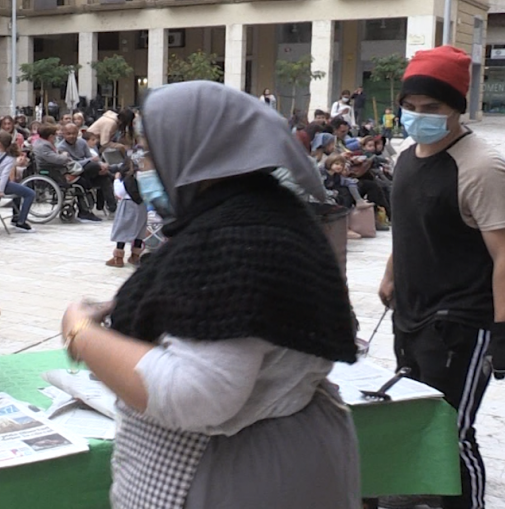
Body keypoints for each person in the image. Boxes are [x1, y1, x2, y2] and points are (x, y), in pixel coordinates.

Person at [60, 81, 359, 508]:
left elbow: (198, 393)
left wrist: (81, 333)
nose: (147, 164)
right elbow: (205, 307)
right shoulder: (259, 213)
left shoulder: (238, 237)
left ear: (196, 151)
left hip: (236, 476)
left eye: (152, 151)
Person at [378, 46, 505, 509]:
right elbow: (406, 224)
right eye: (410, 107)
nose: (417, 116)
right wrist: (391, 275)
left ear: (457, 107)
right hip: (412, 317)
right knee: (413, 424)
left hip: (461, 324)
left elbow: (503, 252)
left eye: (431, 109)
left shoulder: (481, 167)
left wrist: (501, 332)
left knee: (450, 431)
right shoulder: (408, 156)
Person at [0, 131, 35, 232]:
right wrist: (0, 190)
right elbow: (4, 175)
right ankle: (21, 221)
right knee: (30, 193)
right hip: (0, 184)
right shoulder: (10, 157)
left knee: (18, 189)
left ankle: (16, 217)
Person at [59, 122, 117, 217]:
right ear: (63, 134)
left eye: (74, 133)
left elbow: (91, 158)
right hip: (76, 172)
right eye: (68, 134)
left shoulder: (82, 143)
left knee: (105, 178)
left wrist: (98, 164)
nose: (72, 136)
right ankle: (112, 173)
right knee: (94, 166)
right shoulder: (61, 147)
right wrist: (90, 161)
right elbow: (72, 164)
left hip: (89, 171)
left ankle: (112, 208)